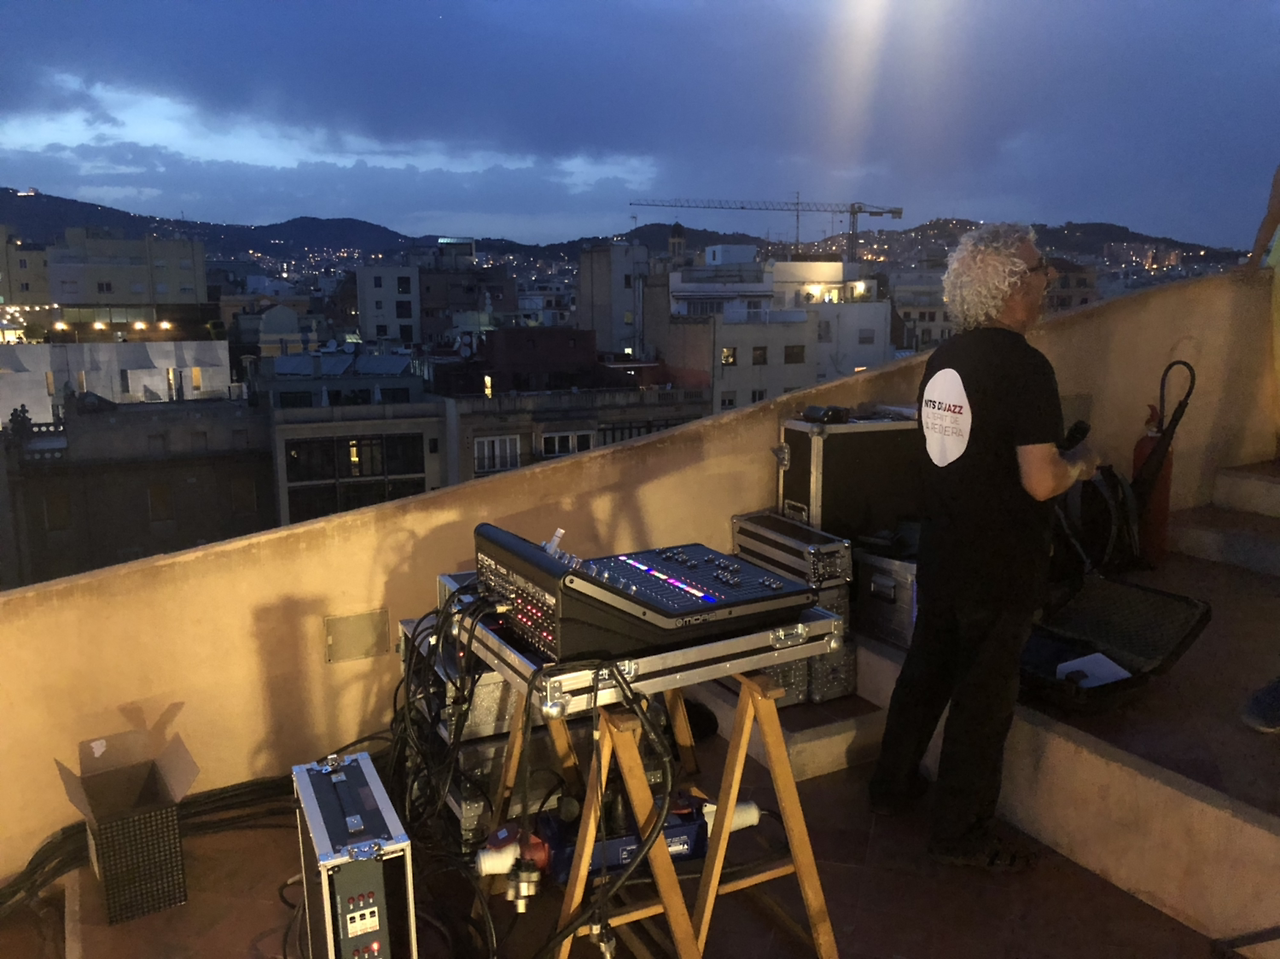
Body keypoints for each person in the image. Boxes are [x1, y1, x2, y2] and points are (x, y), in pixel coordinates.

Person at [867, 223, 1100, 871]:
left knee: (926, 673)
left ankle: (890, 785)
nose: (1049, 279)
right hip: (1002, 561)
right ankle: (961, 832)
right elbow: (1041, 480)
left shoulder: (945, 358)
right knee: (983, 698)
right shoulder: (1026, 367)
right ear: (1013, 287)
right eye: (1040, 270)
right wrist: (1083, 462)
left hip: (943, 549)